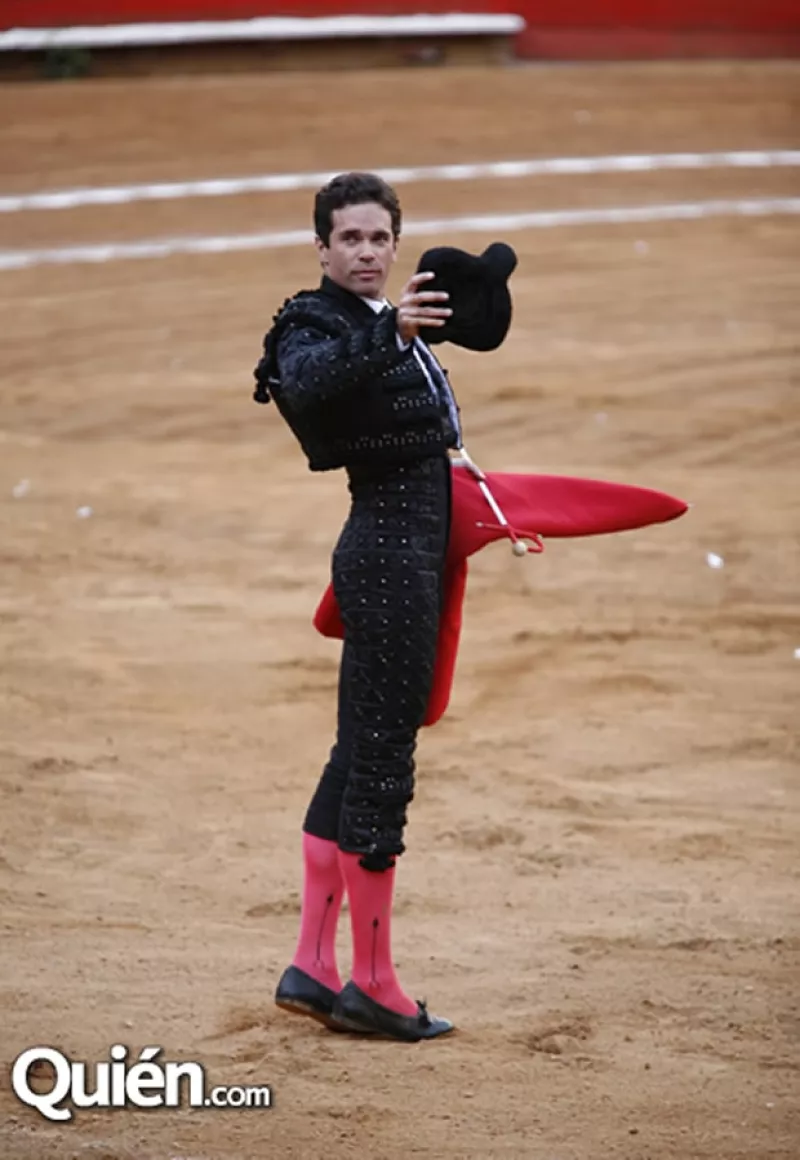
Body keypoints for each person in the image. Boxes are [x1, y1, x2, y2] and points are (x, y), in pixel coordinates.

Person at [254, 171, 463, 1042]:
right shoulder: (313, 323)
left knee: (358, 753)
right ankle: (373, 983)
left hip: (406, 555)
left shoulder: (384, 319)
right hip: (386, 560)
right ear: (322, 247)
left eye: (380, 238)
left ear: (395, 243)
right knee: (382, 764)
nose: (368, 252)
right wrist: (392, 333)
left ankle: (313, 963)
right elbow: (306, 385)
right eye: (351, 238)